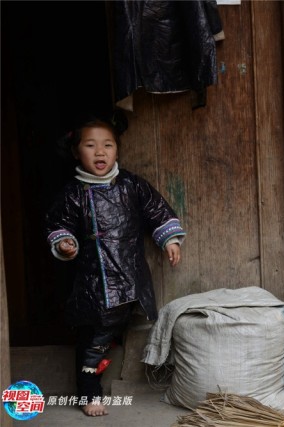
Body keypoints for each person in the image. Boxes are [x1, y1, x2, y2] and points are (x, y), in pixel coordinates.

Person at [45, 115, 186, 417]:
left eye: (107, 145)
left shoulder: (132, 185)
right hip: (94, 280)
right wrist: (64, 242)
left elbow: (157, 211)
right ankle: (88, 393)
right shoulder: (73, 193)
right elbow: (58, 224)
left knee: (110, 330)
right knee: (93, 339)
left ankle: (100, 365)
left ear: (117, 150)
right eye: (91, 145)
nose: (100, 152)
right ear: (75, 152)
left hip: (129, 273)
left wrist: (170, 240)